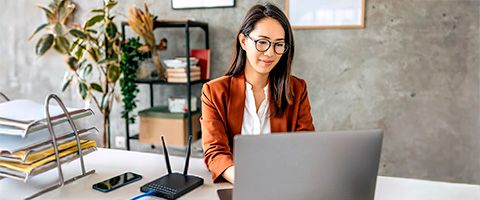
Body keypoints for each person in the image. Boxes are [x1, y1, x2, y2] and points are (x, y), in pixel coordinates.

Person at [201, 3, 315, 184]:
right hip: (239, 186)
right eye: (262, 42)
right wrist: (247, 181)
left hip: (284, 184)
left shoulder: (297, 89)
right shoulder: (214, 92)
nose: (270, 53)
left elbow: (306, 147)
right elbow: (215, 152)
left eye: (279, 44)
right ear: (244, 41)